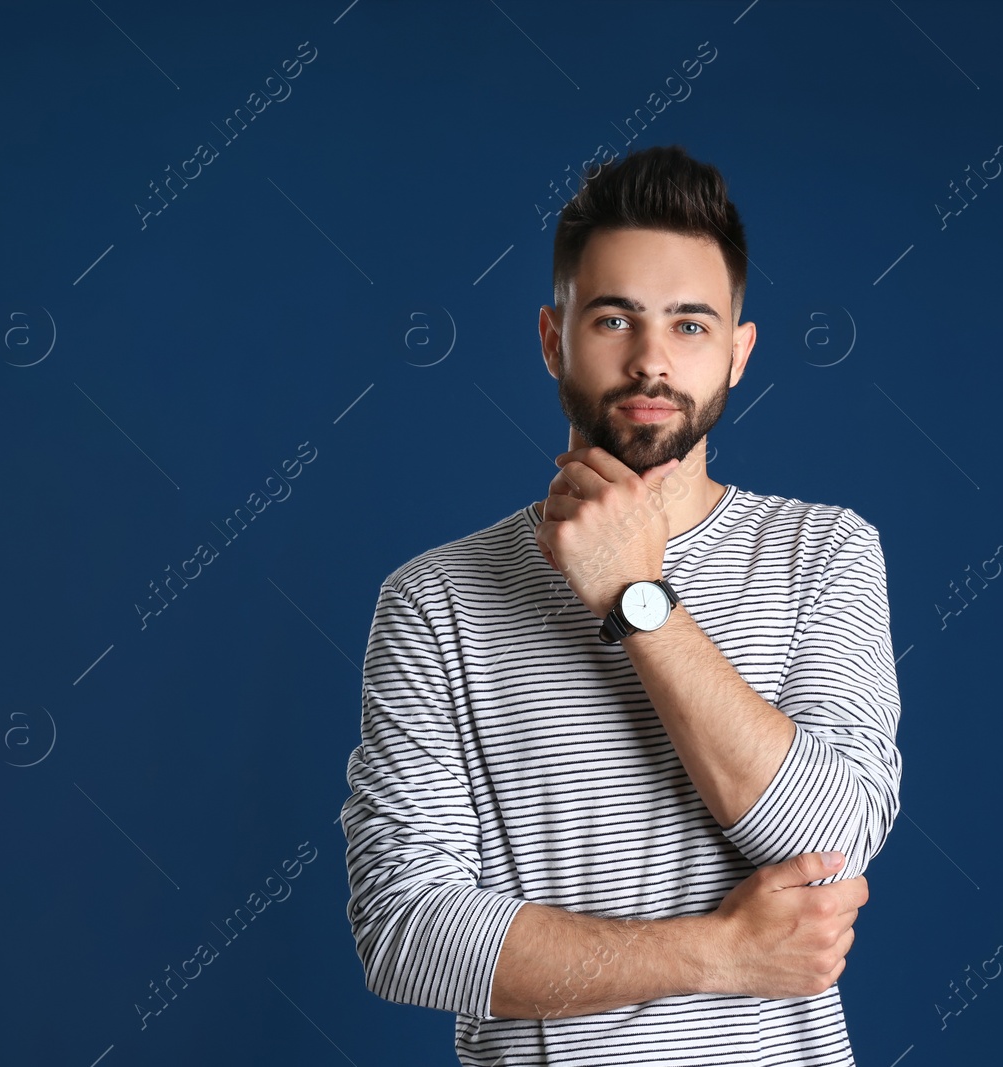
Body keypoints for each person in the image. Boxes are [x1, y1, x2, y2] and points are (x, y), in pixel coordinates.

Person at [340, 144, 903, 1065]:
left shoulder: (825, 552)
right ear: (554, 338)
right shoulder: (434, 599)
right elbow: (407, 933)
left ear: (737, 352)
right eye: (614, 319)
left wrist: (636, 594)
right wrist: (720, 953)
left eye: (690, 325)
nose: (652, 361)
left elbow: (831, 836)